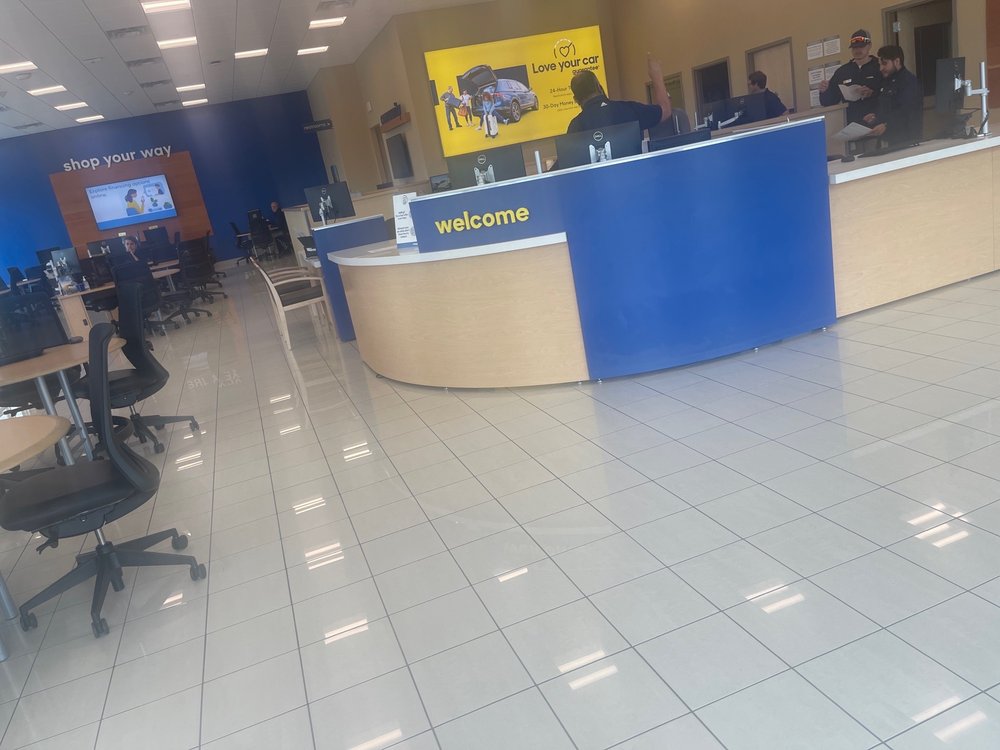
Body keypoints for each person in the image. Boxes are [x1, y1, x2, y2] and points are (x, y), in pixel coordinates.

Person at [567, 54, 671, 134]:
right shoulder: (630, 110)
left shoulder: (575, 127)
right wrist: (656, 76)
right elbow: (665, 111)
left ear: (576, 100)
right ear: (600, 88)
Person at [864, 45, 923, 147]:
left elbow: (906, 110)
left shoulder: (908, 81)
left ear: (897, 61)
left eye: (885, 63)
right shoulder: (886, 81)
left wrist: (886, 125)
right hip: (888, 138)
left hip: (905, 138)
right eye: (880, 64)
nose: (881, 68)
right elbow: (886, 106)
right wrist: (875, 116)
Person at [818, 29, 881, 125]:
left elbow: (889, 96)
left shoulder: (879, 67)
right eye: (854, 47)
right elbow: (828, 102)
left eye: (861, 46)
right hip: (851, 125)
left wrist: (872, 93)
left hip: (876, 123)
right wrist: (824, 91)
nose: (857, 50)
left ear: (869, 45)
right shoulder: (842, 71)